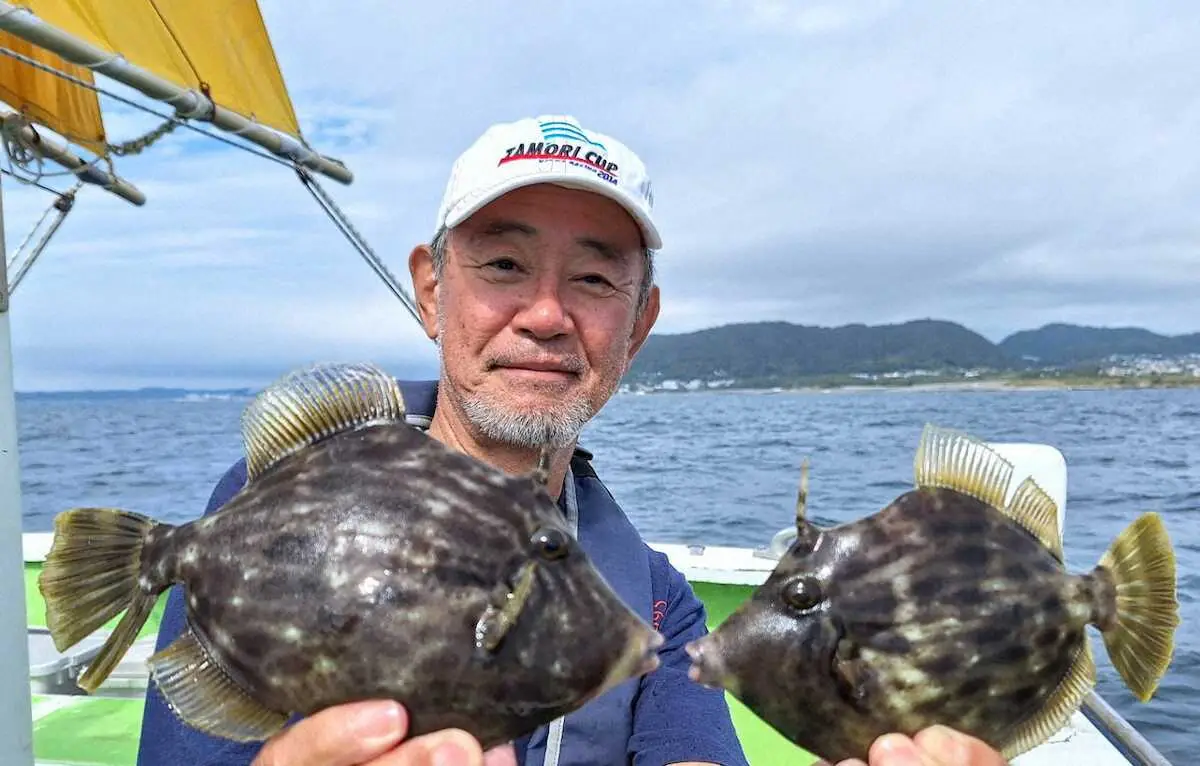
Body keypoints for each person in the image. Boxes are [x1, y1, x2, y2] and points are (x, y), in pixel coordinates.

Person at [136, 114, 1011, 766]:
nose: (548, 316)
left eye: (594, 279)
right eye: (504, 266)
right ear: (432, 291)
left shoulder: (658, 602)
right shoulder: (287, 501)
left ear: (638, 326)